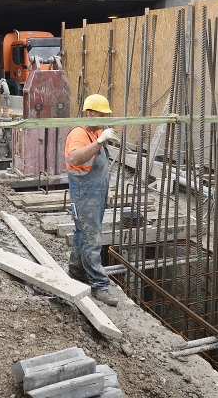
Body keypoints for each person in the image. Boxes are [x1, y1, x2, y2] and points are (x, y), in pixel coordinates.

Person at [64, 94, 119, 307]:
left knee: (82, 233)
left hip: (94, 195)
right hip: (85, 195)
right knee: (92, 238)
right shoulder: (80, 133)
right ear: (89, 113)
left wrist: (100, 138)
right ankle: (99, 285)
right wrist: (99, 141)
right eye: (101, 114)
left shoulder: (94, 132)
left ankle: (76, 271)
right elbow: (74, 158)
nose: (104, 118)